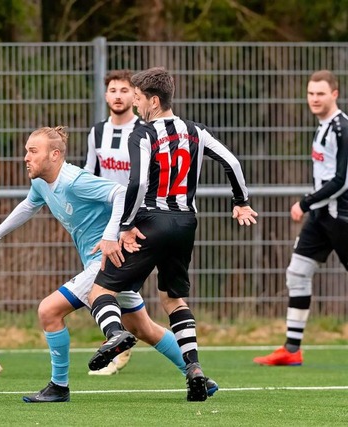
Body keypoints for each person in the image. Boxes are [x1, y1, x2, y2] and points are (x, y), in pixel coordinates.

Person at [0, 126, 218, 403]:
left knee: (49, 311)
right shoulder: (41, 182)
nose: (26, 157)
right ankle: (197, 376)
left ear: (54, 155)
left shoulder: (75, 180)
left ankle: (60, 385)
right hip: (107, 261)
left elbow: (122, 194)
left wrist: (111, 236)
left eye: (33, 151)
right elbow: (29, 205)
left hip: (105, 261)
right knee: (143, 328)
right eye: (27, 150)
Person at [86, 67, 258, 402]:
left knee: (101, 290)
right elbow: (232, 162)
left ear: (152, 100)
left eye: (137, 99)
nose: (134, 106)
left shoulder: (144, 134)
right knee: (172, 299)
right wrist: (241, 202)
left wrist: (124, 226)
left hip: (152, 220)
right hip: (186, 224)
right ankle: (193, 367)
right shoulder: (196, 131)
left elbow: (136, 184)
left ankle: (115, 333)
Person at [254, 70, 348, 367]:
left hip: (342, 217)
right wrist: (313, 205)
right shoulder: (322, 127)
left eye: (321, 93)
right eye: (311, 93)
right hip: (322, 218)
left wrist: (305, 203)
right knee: (297, 273)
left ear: (335, 94)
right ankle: (292, 349)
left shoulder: (342, 128)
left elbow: (342, 180)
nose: (315, 99)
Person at [83, 69, 143, 375]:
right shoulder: (97, 133)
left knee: (112, 282)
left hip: (136, 222)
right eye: (113, 90)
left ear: (135, 95)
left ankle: (121, 341)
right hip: (106, 225)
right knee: (116, 282)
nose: (118, 95)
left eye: (124, 90)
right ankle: (122, 342)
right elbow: (89, 178)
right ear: (106, 95)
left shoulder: (144, 131)